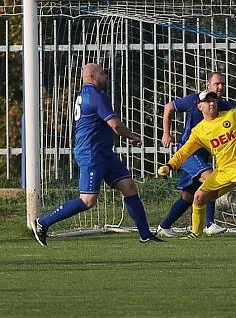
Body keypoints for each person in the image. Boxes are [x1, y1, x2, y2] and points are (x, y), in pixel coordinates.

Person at [33, 63, 161, 246]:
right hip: (91, 154)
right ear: (92, 76)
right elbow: (115, 125)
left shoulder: (86, 94)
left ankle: (145, 235)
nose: (106, 76)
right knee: (88, 200)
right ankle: (42, 223)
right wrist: (132, 136)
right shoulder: (94, 95)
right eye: (103, 73)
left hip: (104, 153)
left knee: (129, 186)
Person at [157, 91, 236, 239]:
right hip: (223, 171)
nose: (212, 103)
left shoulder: (231, 115)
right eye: (207, 101)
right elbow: (184, 152)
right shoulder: (199, 131)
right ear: (200, 106)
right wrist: (169, 166)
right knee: (198, 197)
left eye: (213, 100)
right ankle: (196, 233)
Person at [156, 72, 232, 237]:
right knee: (212, 179)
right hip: (188, 153)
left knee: (188, 196)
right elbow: (169, 107)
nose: (220, 87)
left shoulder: (226, 107)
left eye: (223, 84)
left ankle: (164, 226)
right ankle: (209, 224)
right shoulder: (194, 100)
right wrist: (166, 133)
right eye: (217, 83)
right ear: (208, 85)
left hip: (204, 155)